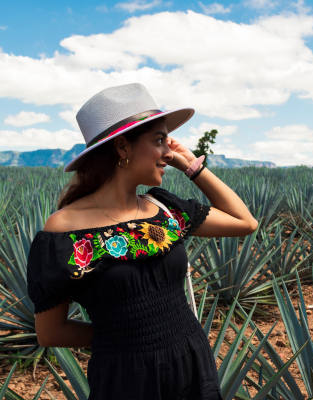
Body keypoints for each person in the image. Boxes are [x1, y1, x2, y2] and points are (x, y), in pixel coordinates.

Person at [26, 83, 258, 399]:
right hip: (125, 377)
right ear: (122, 148)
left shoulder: (163, 208)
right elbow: (50, 332)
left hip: (191, 363)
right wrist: (121, 337)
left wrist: (191, 165)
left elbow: (244, 222)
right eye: (159, 140)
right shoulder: (65, 232)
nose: (168, 152)